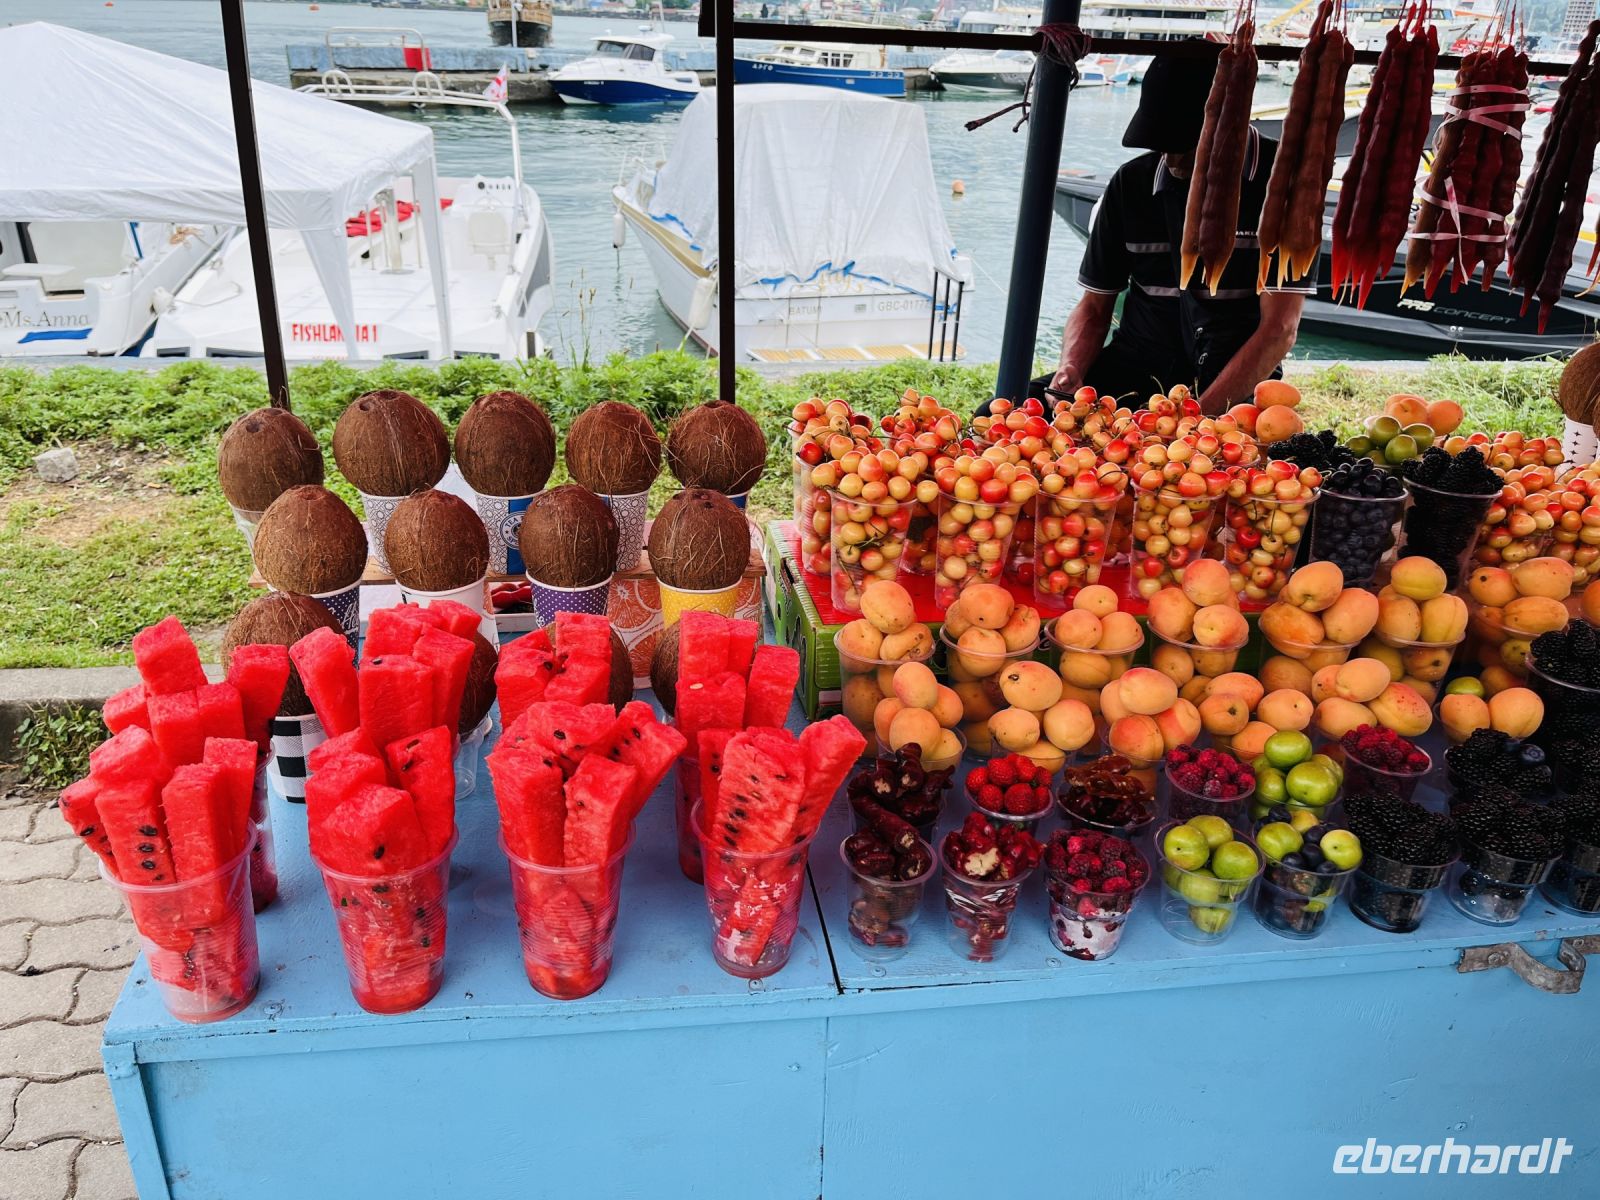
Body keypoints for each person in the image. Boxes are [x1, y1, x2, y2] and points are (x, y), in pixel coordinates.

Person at [1048, 49, 1312, 414]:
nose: (1171, 160)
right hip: (1134, 368)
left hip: (1234, 379)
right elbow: (1094, 308)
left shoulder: (1286, 186)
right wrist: (1071, 367)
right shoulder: (1131, 183)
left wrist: (1201, 415)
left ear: (1230, 128)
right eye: (1162, 145)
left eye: (1184, 146)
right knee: (1001, 414)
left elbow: (1279, 328)